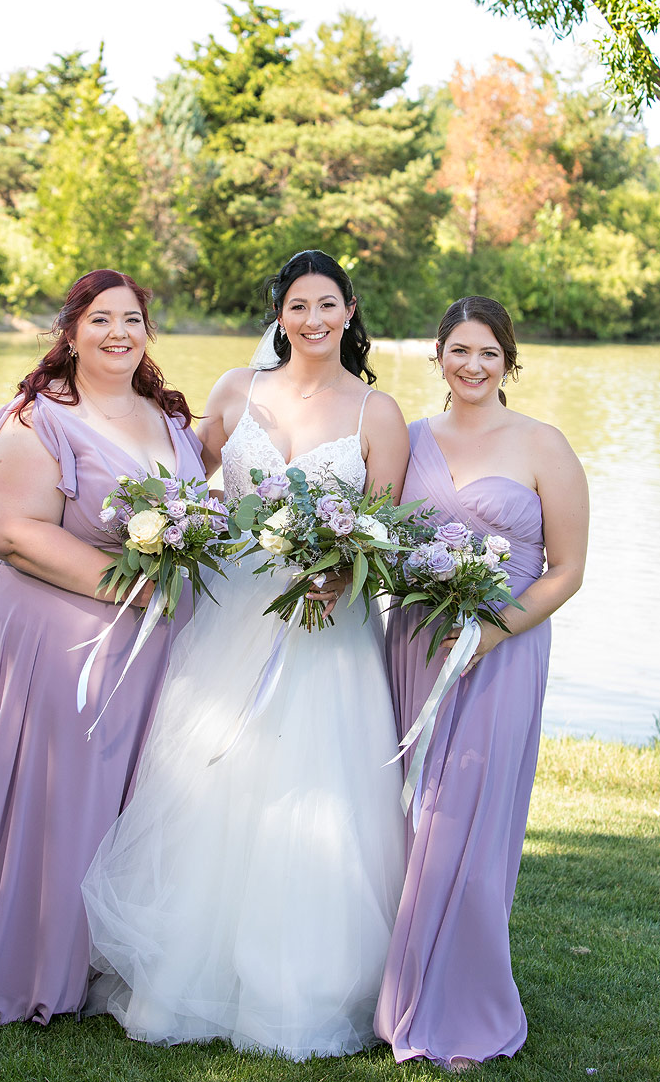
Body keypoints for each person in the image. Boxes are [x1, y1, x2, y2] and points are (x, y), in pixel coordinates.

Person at [82, 250, 409, 1059]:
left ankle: (304, 983)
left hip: (325, 633)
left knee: (314, 786)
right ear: (279, 314)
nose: (311, 320)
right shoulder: (237, 391)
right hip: (230, 609)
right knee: (211, 776)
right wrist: (168, 527)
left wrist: (342, 568)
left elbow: (387, 528)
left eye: (325, 304)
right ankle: (186, 973)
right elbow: (187, 485)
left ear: (349, 310)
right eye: (297, 306)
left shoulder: (379, 413)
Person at [0, 269, 205, 1024]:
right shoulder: (38, 417)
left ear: (148, 332)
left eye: (131, 319)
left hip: (142, 647)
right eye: (99, 319)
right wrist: (128, 590)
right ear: (69, 332)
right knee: (53, 800)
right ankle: (21, 961)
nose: (117, 333)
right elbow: (8, 531)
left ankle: (93, 963)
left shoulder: (168, 418)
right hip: (49, 641)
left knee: (114, 805)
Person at [375, 296, 588, 1072]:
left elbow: (567, 570)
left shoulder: (542, 444)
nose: (472, 366)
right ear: (438, 357)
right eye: (458, 351)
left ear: (507, 361)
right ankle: (396, 985)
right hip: (413, 645)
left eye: (487, 354)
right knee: (410, 818)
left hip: (501, 652)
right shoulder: (408, 440)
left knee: (466, 818)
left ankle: (460, 1003)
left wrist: (486, 633)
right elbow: (378, 534)